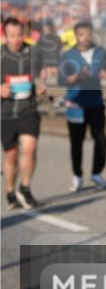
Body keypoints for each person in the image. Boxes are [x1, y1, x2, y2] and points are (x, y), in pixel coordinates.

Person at [59, 21, 106, 191]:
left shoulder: (100, 52)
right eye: (82, 35)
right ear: (76, 36)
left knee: (101, 139)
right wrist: (76, 77)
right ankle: (78, 176)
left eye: (89, 34)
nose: (86, 38)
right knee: (77, 142)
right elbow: (61, 81)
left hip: (96, 102)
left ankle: (97, 174)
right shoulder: (68, 55)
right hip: (75, 103)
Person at [1, 17, 44, 210]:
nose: (16, 39)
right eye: (12, 36)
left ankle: (25, 189)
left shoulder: (34, 52)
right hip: (6, 112)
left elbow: (39, 77)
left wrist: (41, 87)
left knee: (30, 147)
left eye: (19, 35)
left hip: (28, 108)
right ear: (5, 36)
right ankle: (10, 192)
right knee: (11, 154)